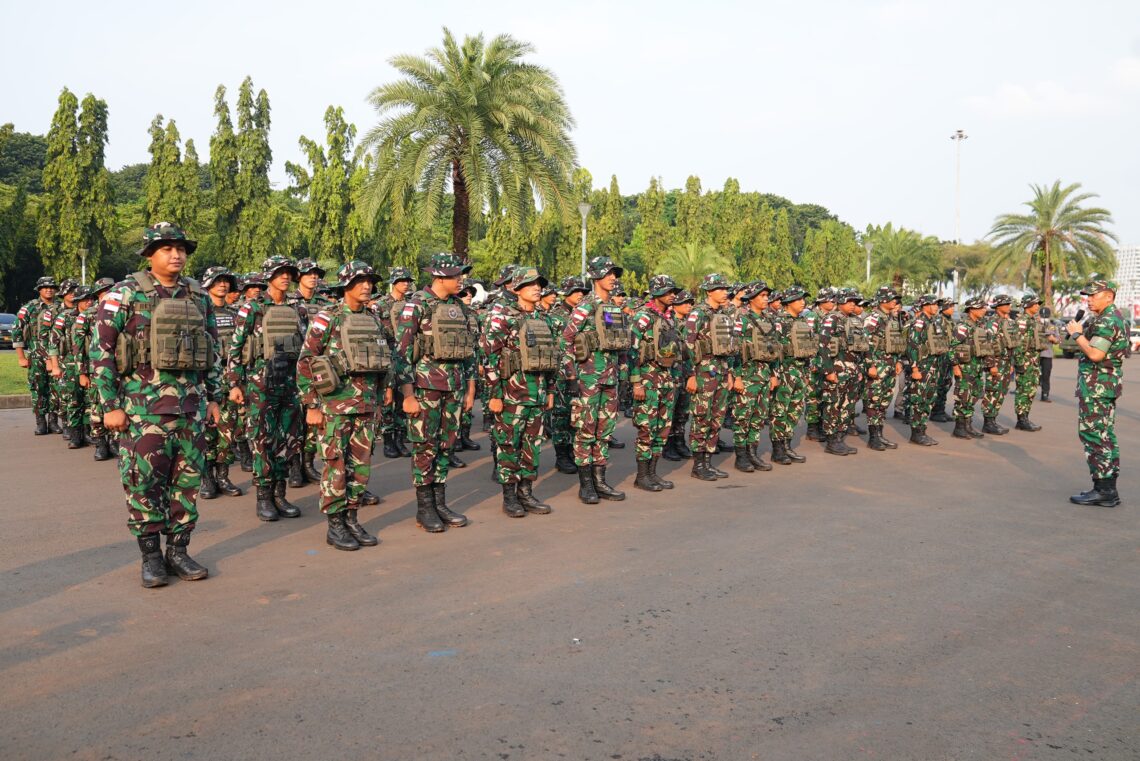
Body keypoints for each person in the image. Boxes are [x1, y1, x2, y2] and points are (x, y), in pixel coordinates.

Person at [90, 222, 220, 588]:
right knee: (143, 484)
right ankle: (150, 557)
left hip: (190, 410)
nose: (176, 254)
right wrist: (109, 405)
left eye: (180, 248)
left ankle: (178, 550)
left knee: (187, 484)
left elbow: (212, 351)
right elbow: (100, 353)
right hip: (141, 410)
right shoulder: (124, 295)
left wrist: (214, 398)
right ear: (149, 254)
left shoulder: (198, 296)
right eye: (166, 248)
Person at [297, 261, 393, 550]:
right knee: (336, 466)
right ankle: (335, 524)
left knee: (360, 467)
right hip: (335, 405)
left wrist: (385, 390)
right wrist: (311, 404)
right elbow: (305, 362)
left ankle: (352, 517)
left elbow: (386, 355)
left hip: (367, 405)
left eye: (370, 281)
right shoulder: (328, 318)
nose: (367, 286)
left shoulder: (375, 318)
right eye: (360, 281)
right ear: (346, 284)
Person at [394, 252, 475, 532]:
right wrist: (407, 395)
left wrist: (469, 388)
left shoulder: (459, 307)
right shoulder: (416, 305)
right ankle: (425, 507)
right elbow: (401, 354)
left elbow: (468, 351)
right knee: (424, 447)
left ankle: (440, 502)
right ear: (439, 276)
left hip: (453, 388)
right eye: (456, 274)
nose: (460, 278)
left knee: (445, 445)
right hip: (425, 388)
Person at [227, 256, 306, 522]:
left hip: (291, 383)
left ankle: (280, 494)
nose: (285, 277)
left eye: (288, 272)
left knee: (288, 438)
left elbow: (306, 347)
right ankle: (263, 497)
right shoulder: (253, 307)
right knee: (262, 439)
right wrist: (234, 383)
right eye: (280, 273)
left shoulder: (298, 307)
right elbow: (235, 348)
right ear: (268, 276)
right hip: (261, 382)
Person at [481, 267, 558, 516]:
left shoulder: (544, 318)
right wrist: (494, 394)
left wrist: (550, 390)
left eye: (539, 284)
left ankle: (526, 492)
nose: (537, 288)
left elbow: (551, 356)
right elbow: (489, 357)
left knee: (531, 445)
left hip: (537, 393)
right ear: (516, 289)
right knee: (508, 445)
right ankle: (509, 497)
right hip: (510, 395)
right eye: (531, 284)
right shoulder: (501, 315)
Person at [561, 256, 629, 503]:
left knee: (604, 431)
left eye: (615, 274)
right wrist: (570, 374)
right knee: (585, 431)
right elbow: (565, 340)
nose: (613, 278)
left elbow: (621, 344)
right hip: (587, 380)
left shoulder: (614, 308)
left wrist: (623, 373)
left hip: (610, 380)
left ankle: (600, 481)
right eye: (609, 273)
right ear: (596, 277)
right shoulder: (585, 307)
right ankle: (586, 484)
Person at [1066, 280, 1127, 507]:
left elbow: (1095, 354)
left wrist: (1076, 334)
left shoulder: (1108, 321)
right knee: (1104, 435)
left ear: (1108, 297)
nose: (1089, 299)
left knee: (1094, 435)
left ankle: (1104, 490)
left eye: (1093, 295)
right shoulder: (1110, 318)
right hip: (1103, 385)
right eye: (1087, 296)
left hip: (1097, 387)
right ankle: (1106, 488)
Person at [628, 275, 683, 490]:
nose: (673, 296)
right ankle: (642, 476)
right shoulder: (643, 317)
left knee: (662, 428)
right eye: (669, 292)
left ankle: (653, 473)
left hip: (666, 379)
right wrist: (636, 383)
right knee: (646, 427)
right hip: (648, 380)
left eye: (673, 292)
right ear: (656, 293)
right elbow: (632, 351)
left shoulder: (669, 318)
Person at [683, 273, 739, 480]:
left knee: (717, 418)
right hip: (703, 373)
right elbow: (687, 345)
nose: (725, 292)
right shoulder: (698, 314)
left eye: (726, 289)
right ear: (709, 291)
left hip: (722, 371)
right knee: (701, 417)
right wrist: (690, 374)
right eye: (721, 289)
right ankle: (698, 464)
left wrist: (731, 373)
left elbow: (730, 346)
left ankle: (708, 461)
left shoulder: (723, 314)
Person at [197, 267, 243, 499]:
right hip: (206, 379)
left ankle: (223, 476)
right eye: (217, 281)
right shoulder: (199, 312)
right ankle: (207, 478)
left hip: (229, 380)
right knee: (207, 431)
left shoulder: (236, 314)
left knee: (228, 430)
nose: (223, 285)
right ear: (207, 284)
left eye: (226, 281)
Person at [288, 258, 335, 485]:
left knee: (313, 419)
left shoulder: (325, 304)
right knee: (295, 419)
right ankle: (295, 466)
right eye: (308, 273)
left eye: (316, 274)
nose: (313, 277)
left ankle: (308, 463)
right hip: (292, 367)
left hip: (316, 367)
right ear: (299, 277)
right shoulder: (290, 302)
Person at [733, 280, 780, 471]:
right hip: (746, 374)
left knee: (758, 417)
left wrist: (773, 374)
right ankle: (741, 456)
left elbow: (775, 349)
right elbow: (734, 350)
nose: (766, 299)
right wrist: (736, 376)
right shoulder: (741, 319)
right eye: (762, 295)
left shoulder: (769, 320)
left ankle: (753, 453)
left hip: (764, 374)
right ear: (751, 298)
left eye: (767, 295)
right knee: (743, 416)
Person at [546, 276, 589, 473]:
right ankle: (562, 455)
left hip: (582, 372)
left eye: (583, 291)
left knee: (577, 415)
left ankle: (573, 451)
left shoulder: (584, 314)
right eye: (576, 291)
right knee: (562, 415)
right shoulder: (555, 316)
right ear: (566, 293)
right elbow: (556, 347)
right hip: (562, 374)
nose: (581, 294)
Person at [373, 267, 416, 459]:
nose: (405, 283)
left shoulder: (411, 304)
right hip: (387, 355)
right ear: (393, 282)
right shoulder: (381, 304)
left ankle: (400, 438)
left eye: (408, 280)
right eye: (402, 280)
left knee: (403, 399)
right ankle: (388, 440)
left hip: (406, 356)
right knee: (387, 399)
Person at [816, 289, 865, 455]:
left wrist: (859, 367)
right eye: (850, 301)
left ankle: (839, 438)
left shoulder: (855, 320)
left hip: (852, 368)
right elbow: (822, 346)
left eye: (855, 302)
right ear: (841, 301)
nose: (853, 305)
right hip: (837, 368)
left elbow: (860, 347)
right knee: (833, 405)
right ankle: (831, 441)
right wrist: (829, 371)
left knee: (847, 405)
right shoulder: (832, 319)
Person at [769, 286, 813, 465]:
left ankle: (787, 445)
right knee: (780, 410)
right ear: (788, 303)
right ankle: (778, 449)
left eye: (803, 299)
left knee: (794, 411)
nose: (803, 302)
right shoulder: (778, 321)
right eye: (799, 299)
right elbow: (772, 350)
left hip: (800, 371)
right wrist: (774, 374)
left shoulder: (803, 321)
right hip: (784, 371)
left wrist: (807, 372)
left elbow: (808, 347)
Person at [75, 277, 117, 461]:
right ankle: (100, 443)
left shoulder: (119, 309)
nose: (109, 292)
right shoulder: (88, 314)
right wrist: (82, 372)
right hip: (95, 369)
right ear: (98, 294)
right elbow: (77, 345)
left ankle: (114, 442)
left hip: (117, 368)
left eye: (111, 289)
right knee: (96, 405)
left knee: (117, 404)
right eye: (105, 290)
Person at [948, 296, 999, 439]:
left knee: (974, 395)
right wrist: (955, 366)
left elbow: (987, 347)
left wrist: (990, 365)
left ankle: (968, 425)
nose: (984, 310)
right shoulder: (963, 327)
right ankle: (959, 428)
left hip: (977, 367)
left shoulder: (980, 326)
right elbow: (951, 347)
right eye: (980, 308)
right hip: (964, 367)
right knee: (963, 397)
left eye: (984, 307)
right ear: (971, 309)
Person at [14, 276, 60, 435]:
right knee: (38, 388)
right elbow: (17, 331)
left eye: (52, 287)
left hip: (57, 356)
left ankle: (53, 421)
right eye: (45, 287)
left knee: (56, 389)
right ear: (39, 290)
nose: (49, 289)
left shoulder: (60, 307)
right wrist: (21, 356)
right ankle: (40, 422)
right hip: (36, 355)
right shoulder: (29, 308)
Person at [861, 287, 905, 451]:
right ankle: (873, 437)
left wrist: (898, 361)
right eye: (892, 298)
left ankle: (879, 434)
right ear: (882, 300)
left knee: (884, 401)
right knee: (874, 401)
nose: (895, 301)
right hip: (877, 365)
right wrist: (869, 365)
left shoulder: (890, 319)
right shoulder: (873, 319)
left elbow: (894, 341)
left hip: (890, 365)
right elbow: (864, 344)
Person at [905, 294, 951, 446]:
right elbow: (912, 345)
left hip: (933, 366)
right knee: (919, 400)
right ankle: (916, 433)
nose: (937, 306)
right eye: (934, 304)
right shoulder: (919, 322)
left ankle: (922, 430)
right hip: (922, 366)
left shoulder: (935, 321)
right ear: (925, 305)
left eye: (938, 304)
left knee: (929, 400)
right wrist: (914, 368)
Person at [662, 289, 696, 462]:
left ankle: (679, 440)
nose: (689, 306)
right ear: (675, 305)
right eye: (685, 303)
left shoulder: (691, 323)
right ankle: (667, 444)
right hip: (672, 372)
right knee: (671, 410)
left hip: (686, 371)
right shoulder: (669, 322)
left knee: (683, 410)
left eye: (691, 303)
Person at [981, 294, 1016, 435]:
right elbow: (987, 345)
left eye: (1009, 304)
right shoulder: (992, 323)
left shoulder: (1008, 322)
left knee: (1001, 391)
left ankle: (993, 419)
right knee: (993, 391)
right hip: (996, 362)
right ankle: (988, 422)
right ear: (998, 306)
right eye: (1006, 304)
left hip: (1006, 362)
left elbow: (1012, 344)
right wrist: (991, 365)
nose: (1009, 306)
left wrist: (1012, 362)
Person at [1012, 294, 1047, 431]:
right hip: (1025, 361)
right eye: (1035, 303)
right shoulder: (1022, 321)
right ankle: (1021, 420)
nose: (1038, 306)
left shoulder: (1034, 320)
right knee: (1023, 390)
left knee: (1031, 390)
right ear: (1027, 305)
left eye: (1038, 303)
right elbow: (1017, 344)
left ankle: (1025, 417)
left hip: (1034, 361)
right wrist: (1019, 362)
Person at [929, 298, 957, 423]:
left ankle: (941, 409)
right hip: (941, 358)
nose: (953, 309)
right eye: (950, 306)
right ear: (944, 308)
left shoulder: (951, 321)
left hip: (949, 357)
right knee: (939, 384)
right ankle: (936, 411)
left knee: (946, 384)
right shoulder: (938, 320)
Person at [1039, 307, 1059, 402]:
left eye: (1046, 316)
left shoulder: (1053, 327)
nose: (1044, 318)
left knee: (1046, 375)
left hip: (1047, 354)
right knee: (1032, 375)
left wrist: (1053, 339)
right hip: (1035, 354)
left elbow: (1058, 340)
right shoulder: (1034, 325)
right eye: (1042, 316)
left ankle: (1045, 394)